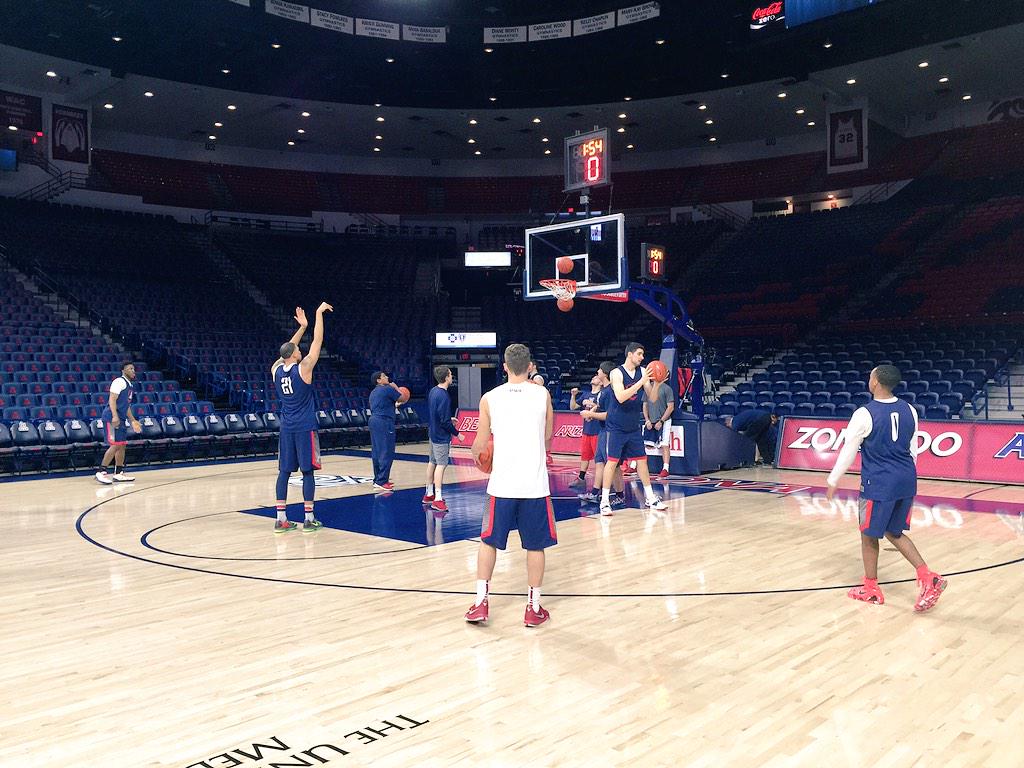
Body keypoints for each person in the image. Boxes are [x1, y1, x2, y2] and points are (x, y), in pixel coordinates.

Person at [826, 365, 947, 612]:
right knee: (894, 532)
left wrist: (832, 480)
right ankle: (928, 576)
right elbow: (913, 449)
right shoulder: (910, 410)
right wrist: (905, 478)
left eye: (870, 375)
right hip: (906, 478)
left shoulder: (864, 413)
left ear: (876, 382)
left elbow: (849, 451)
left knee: (869, 534)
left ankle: (871, 588)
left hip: (879, 482)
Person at [465, 343, 554, 628]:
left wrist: (481, 456)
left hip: (501, 484)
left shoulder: (490, 398)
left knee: (488, 542)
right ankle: (533, 607)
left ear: (504, 366)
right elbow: (549, 436)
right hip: (534, 485)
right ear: (530, 366)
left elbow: (479, 445)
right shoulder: (543, 394)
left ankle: (480, 602)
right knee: (535, 546)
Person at [271, 303, 331, 533]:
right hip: (305, 427)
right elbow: (318, 341)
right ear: (294, 355)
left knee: (284, 473)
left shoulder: (276, 369)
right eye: (297, 349)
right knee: (307, 472)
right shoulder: (304, 367)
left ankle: (281, 519)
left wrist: (301, 327)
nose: (300, 349)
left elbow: (286, 350)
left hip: (286, 427)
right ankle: (308, 519)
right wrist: (316, 315)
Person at [599, 343, 668, 516]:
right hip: (616, 426)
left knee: (642, 461)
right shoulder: (616, 373)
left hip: (633, 426)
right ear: (630, 355)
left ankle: (651, 498)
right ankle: (605, 502)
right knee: (612, 463)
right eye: (639, 354)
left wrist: (657, 384)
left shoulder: (643, 371)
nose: (642, 357)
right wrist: (641, 382)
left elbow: (652, 399)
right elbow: (621, 397)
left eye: (643, 354)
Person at [579, 361, 625, 507]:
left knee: (614, 465)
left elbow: (609, 415)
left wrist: (590, 413)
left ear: (605, 373)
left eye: (599, 369)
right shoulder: (603, 391)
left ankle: (619, 495)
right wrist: (591, 413)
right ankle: (594, 493)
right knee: (599, 462)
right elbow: (599, 407)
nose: (597, 371)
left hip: (611, 431)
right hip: (602, 430)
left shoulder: (610, 391)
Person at [423, 365, 463, 513]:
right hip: (440, 436)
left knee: (432, 462)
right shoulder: (444, 395)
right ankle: (438, 499)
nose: (452, 376)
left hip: (432, 433)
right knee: (441, 465)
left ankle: (429, 494)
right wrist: (457, 433)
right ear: (446, 377)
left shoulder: (433, 391)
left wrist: (448, 418)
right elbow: (444, 422)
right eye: (451, 374)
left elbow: (438, 415)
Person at [94, 361, 142, 484]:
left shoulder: (129, 385)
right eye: (130, 368)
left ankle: (118, 473)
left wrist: (133, 421)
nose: (133, 371)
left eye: (134, 368)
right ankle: (101, 471)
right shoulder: (119, 381)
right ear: (123, 370)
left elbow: (126, 406)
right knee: (115, 444)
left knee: (122, 444)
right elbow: (112, 399)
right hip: (111, 417)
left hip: (120, 417)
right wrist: (114, 416)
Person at [368, 370, 410, 491]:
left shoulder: (373, 392)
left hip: (374, 420)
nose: (387, 377)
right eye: (384, 376)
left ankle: (377, 479)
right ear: (378, 380)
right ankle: (382, 481)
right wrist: (396, 388)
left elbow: (384, 404)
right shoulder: (387, 389)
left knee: (376, 451)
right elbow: (402, 398)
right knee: (386, 451)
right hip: (384, 422)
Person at [568, 371, 604, 489]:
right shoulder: (585, 394)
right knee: (584, 456)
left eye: (596, 377)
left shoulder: (602, 394)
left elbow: (603, 408)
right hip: (587, 431)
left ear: (601, 382)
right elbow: (573, 407)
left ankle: (603, 482)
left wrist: (592, 404)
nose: (594, 377)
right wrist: (573, 395)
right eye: (593, 376)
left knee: (600, 459)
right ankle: (581, 478)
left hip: (598, 430)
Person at [643, 374, 676, 478]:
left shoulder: (667, 389)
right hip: (650, 421)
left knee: (664, 444)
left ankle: (665, 468)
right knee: (643, 444)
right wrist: (647, 420)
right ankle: (635, 465)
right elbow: (645, 405)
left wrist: (661, 421)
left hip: (664, 421)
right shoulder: (648, 388)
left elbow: (670, 407)